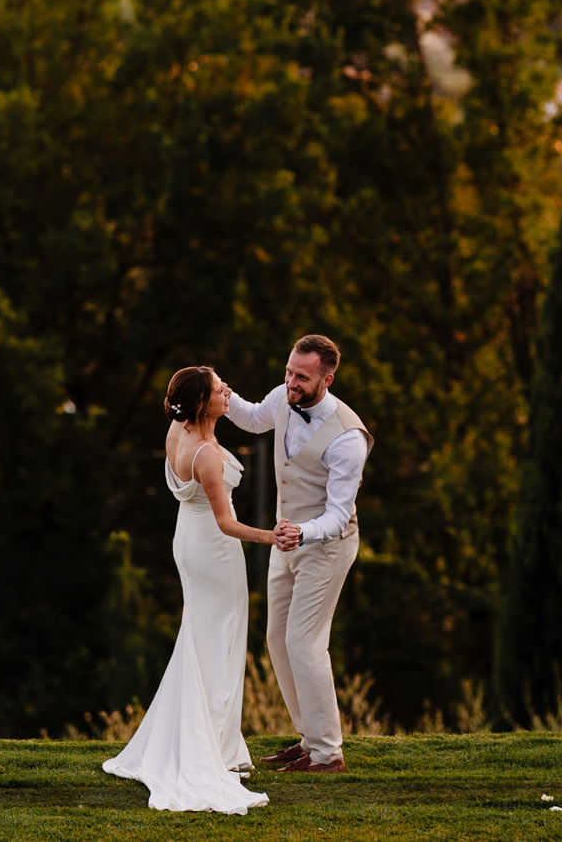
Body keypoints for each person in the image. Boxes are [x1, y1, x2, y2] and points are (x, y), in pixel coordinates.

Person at [102, 366, 280, 813]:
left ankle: (214, 739)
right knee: (217, 642)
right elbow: (226, 521)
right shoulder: (205, 454)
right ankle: (210, 747)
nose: (228, 392)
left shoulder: (177, 430)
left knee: (201, 639)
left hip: (189, 542)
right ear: (203, 404)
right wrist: (273, 536)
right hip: (215, 550)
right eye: (221, 389)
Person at [221, 334, 372, 775]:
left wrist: (300, 533)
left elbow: (339, 516)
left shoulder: (348, 438)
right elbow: (251, 419)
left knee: (304, 642)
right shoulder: (284, 396)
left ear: (327, 378)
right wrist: (219, 392)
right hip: (286, 540)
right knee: (276, 640)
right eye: (289, 372)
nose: (291, 383)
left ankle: (328, 754)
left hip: (325, 546)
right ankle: (310, 740)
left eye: (301, 377)